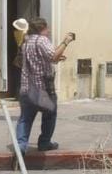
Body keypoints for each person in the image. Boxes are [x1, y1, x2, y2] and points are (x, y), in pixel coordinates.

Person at [16, 18, 74, 154]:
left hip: (26, 88)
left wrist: (54, 59)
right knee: (50, 114)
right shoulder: (41, 40)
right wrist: (66, 41)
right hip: (42, 89)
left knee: (25, 118)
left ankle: (21, 146)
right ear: (42, 28)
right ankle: (44, 142)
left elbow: (39, 59)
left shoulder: (26, 41)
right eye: (47, 28)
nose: (48, 31)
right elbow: (53, 56)